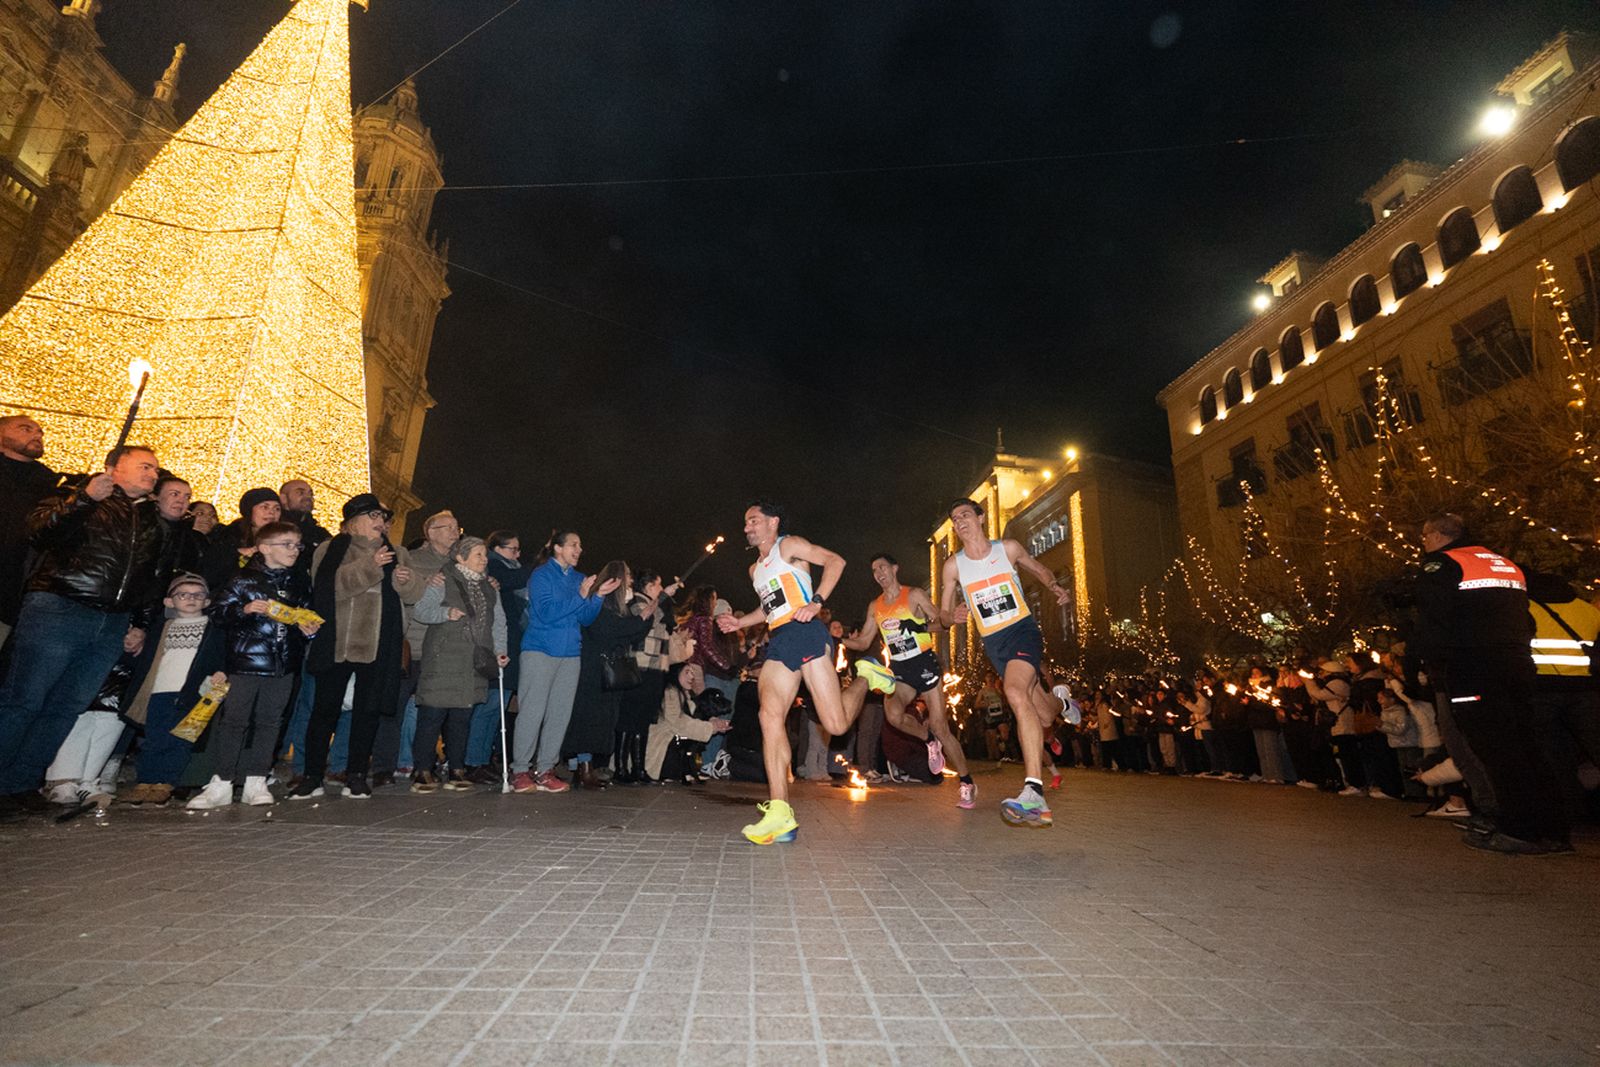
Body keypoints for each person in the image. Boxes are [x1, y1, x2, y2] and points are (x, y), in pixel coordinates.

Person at [0, 445, 165, 815]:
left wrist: (139, 622)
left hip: (111, 622)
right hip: (61, 606)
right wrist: (85, 499)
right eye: (144, 466)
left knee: (66, 706)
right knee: (25, 699)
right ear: (112, 469)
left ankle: (21, 783)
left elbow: (150, 578)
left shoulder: (150, 518)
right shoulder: (76, 492)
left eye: (155, 469)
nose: (152, 474)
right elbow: (40, 531)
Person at [1411, 513, 1569, 854]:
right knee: (1529, 748)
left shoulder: (1442, 564)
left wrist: (1430, 661)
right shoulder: (1502, 562)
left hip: (1472, 667)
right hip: (1516, 663)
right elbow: (1541, 604)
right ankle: (1554, 831)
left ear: (1439, 535)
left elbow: (1434, 620)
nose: (1422, 542)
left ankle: (1518, 829)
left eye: (1424, 535)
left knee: (1494, 751)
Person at [717, 499, 857, 844]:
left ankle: (868, 675)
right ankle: (780, 812)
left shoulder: (790, 546)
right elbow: (768, 609)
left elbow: (836, 561)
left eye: (753, 520)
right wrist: (740, 621)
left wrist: (817, 602)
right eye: (745, 522)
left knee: (836, 724)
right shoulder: (755, 571)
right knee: (769, 716)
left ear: (773, 522)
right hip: (779, 640)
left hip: (806, 631)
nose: (747, 527)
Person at [939, 498, 1073, 827]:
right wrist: (951, 616)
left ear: (981, 518)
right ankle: (1062, 700)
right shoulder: (953, 566)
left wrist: (1055, 587)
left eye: (965, 515)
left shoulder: (1007, 548)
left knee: (1014, 692)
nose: (959, 522)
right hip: (994, 643)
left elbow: (1038, 567)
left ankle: (1033, 793)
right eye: (955, 519)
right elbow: (942, 614)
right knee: (1042, 711)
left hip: (1022, 630)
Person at [290, 494, 416, 800]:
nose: (380, 523)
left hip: (378, 646)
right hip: (338, 644)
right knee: (324, 711)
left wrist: (406, 580)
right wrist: (371, 566)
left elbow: (412, 595)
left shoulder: (397, 552)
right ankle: (312, 774)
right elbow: (329, 589)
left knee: (367, 713)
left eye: (383, 518)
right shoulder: (331, 548)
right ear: (352, 521)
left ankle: (357, 774)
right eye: (373, 515)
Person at [187, 523, 320, 809]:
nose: (294, 550)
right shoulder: (243, 578)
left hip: (284, 663)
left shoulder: (299, 580)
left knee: (271, 722)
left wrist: (309, 627)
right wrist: (244, 610)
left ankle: (256, 781)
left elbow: (308, 612)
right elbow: (218, 613)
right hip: (246, 661)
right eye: (286, 544)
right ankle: (221, 781)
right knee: (234, 721)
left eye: (297, 545)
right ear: (264, 547)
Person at [839, 552, 976, 807]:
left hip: (924, 664)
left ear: (895, 568)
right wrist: (837, 639)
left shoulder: (913, 595)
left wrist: (923, 626)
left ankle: (966, 782)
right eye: (874, 570)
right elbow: (864, 641)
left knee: (941, 727)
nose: (879, 573)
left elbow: (940, 621)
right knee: (893, 716)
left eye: (882, 567)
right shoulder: (875, 606)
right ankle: (927, 740)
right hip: (901, 668)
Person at [508, 530, 620, 794]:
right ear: (558, 548)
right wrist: (581, 595)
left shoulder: (580, 579)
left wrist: (598, 596)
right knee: (532, 712)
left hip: (570, 654)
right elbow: (546, 613)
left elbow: (585, 619)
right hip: (540, 650)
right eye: (573, 545)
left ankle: (545, 769)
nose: (579, 550)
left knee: (560, 714)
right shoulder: (541, 575)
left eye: (580, 545)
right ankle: (520, 770)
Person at [409, 536, 508, 793]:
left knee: (462, 717)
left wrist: (500, 650)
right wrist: (445, 613)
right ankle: (422, 769)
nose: (484, 560)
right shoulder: (443, 579)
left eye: (485, 555)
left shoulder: (490, 587)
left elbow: (498, 622)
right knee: (432, 714)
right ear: (460, 558)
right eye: (478, 555)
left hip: (473, 659)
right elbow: (421, 610)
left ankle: (457, 768)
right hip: (444, 657)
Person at [563, 560, 653, 788]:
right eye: (628, 575)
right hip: (593, 668)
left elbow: (628, 634)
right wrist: (642, 619)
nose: (631, 580)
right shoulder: (600, 601)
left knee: (596, 717)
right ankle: (582, 768)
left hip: (604, 669)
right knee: (588, 717)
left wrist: (643, 619)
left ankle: (582, 767)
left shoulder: (617, 605)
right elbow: (610, 630)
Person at [616, 570, 690, 783]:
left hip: (656, 668)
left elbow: (666, 625)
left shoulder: (657, 604)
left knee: (644, 719)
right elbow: (646, 618)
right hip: (639, 666)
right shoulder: (636, 602)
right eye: (658, 585)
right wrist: (663, 597)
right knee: (630, 717)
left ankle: (638, 768)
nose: (661, 589)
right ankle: (622, 768)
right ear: (648, 587)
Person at [0, 414, 58, 651]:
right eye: (25, 429)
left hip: (10, 592)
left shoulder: (52, 484)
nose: (37, 435)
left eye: (40, 432)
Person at [645, 663, 732, 781]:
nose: (691, 676)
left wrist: (713, 722)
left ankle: (686, 770)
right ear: (676, 673)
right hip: (661, 743)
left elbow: (692, 717)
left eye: (692, 673)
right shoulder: (670, 692)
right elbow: (678, 723)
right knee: (684, 739)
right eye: (687, 672)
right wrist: (711, 728)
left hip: (671, 740)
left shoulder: (683, 694)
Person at [201, 487, 281, 591]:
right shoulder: (228, 537)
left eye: (277, 509)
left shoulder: (287, 540)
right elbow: (211, 574)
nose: (272, 512)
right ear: (249, 511)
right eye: (265, 507)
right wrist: (236, 554)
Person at [277, 479, 332, 558]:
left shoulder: (320, 533)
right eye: (300, 493)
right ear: (283, 498)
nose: (308, 497)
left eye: (311, 494)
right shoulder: (274, 529)